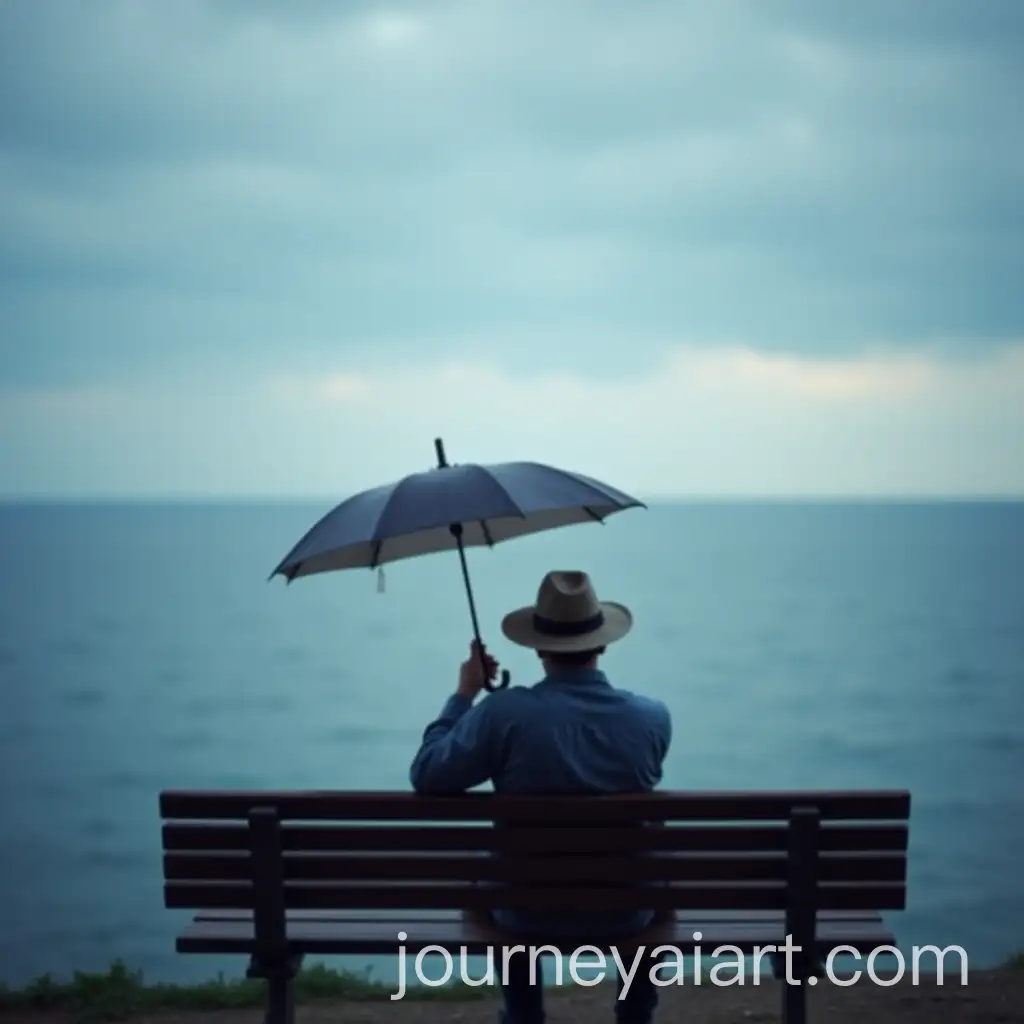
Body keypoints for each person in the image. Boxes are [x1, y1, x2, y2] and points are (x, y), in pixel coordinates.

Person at [409, 569, 673, 1024]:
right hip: (623, 912)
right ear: (604, 642)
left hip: (525, 914)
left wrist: (464, 695)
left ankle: (524, 1015)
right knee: (657, 873)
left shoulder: (505, 713)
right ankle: (635, 1014)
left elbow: (428, 774)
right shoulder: (651, 718)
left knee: (493, 877)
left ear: (537, 646)